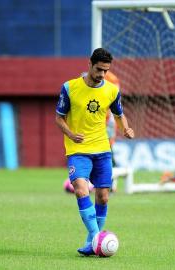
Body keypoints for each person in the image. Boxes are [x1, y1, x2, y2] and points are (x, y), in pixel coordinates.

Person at [55, 48, 135, 255]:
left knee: (103, 197)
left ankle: (92, 241)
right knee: (81, 189)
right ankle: (98, 238)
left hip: (102, 149)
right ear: (89, 64)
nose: (102, 74)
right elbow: (59, 118)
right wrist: (71, 135)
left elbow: (120, 114)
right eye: (99, 69)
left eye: (106, 71)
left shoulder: (111, 90)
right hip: (78, 149)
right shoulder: (70, 88)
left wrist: (126, 127)